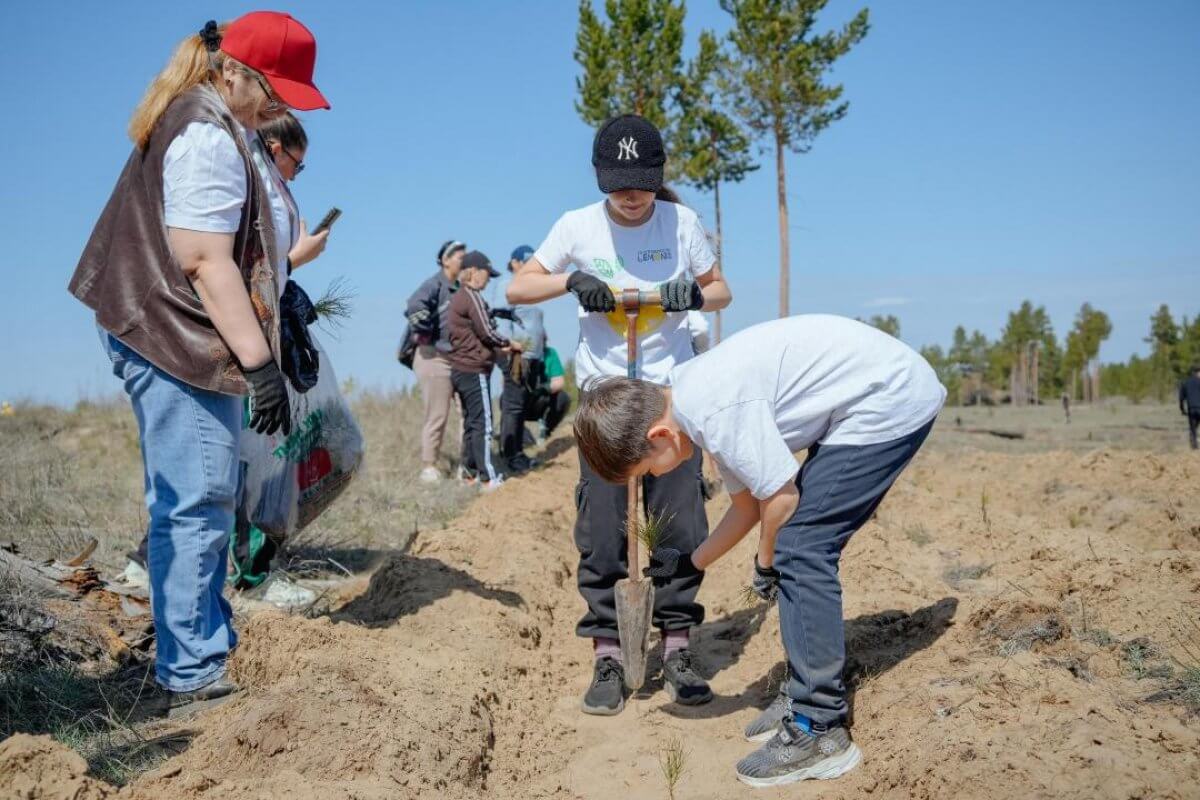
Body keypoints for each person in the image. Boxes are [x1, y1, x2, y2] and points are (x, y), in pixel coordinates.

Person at [68, 12, 329, 707]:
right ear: (237, 70)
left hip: (177, 336)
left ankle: (202, 647)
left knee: (201, 496)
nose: (280, 109)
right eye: (276, 91)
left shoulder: (221, 124)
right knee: (197, 500)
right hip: (171, 338)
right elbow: (204, 259)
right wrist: (259, 362)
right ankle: (192, 672)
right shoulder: (206, 135)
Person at [571, 314, 946, 786]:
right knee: (792, 543)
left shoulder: (714, 411)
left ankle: (820, 726)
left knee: (801, 548)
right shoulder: (691, 400)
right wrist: (690, 562)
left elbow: (781, 499)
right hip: (865, 397)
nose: (655, 478)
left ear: (659, 437)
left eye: (646, 470)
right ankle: (804, 692)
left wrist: (766, 562)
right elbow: (748, 506)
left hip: (890, 399)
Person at [506, 114, 732, 715]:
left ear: (658, 178)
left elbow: (720, 290)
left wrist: (690, 293)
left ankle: (678, 644)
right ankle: (608, 652)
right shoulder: (576, 226)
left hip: (669, 397)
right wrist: (570, 281)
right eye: (618, 185)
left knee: (680, 520)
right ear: (600, 178)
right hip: (607, 401)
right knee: (603, 526)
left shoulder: (681, 222)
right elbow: (517, 290)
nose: (631, 197)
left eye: (642, 184)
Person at [448, 251, 520, 491]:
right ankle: (489, 478)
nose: (488, 280)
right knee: (484, 423)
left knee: (471, 422)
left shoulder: (457, 297)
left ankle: (469, 474)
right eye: (487, 275)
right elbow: (487, 332)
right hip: (474, 369)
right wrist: (509, 344)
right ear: (475, 272)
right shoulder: (472, 297)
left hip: (459, 369)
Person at [407, 240, 467, 482]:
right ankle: (429, 466)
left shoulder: (462, 288)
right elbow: (415, 304)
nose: (465, 262)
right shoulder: (434, 284)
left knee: (470, 412)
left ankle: (468, 463)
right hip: (433, 356)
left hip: (459, 358)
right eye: (461, 258)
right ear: (446, 260)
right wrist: (423, 322)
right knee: (438, 413)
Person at [497, 244, 545, 474]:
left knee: (521, 406)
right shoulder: (507, 284)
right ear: (514, 262)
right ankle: (510, 455)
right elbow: (499, 317)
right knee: (513, 407)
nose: (528, 265)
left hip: (532, 356)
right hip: (517, 356)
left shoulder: (529, 287)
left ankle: (518, 452)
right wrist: (508, 344)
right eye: (525, 261)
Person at [1181, 365, 1200, 449]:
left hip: (1191, 409)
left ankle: (1194, 446)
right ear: (1197, 373)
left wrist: (1182, 409)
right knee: (1194, 428)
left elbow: (1181, 398)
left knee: (1193, 428)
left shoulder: (1185, 383)